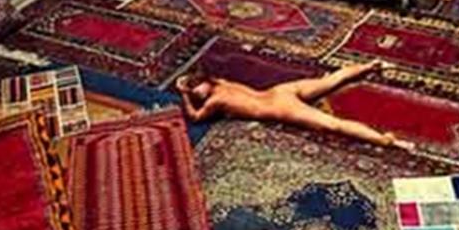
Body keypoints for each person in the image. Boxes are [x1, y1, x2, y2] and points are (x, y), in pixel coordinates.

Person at [175, 60, 417, 152]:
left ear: (205, 82)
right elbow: (201, 98)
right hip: (280, 92)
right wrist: (188, 87)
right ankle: (371, 66)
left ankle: (386, 140)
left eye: (197, 88)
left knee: (333, 124)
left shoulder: (215, 99)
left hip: (281, 103)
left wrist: (183, 93)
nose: (198, 92)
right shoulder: (219, 84)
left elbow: (195, 117)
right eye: (195, 91)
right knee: (329, 82)